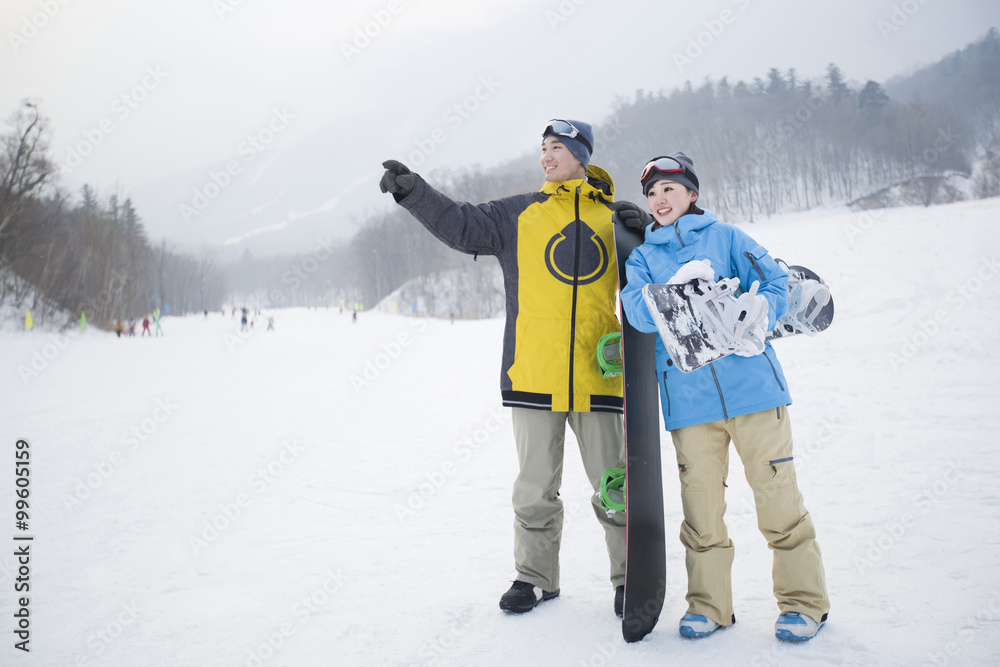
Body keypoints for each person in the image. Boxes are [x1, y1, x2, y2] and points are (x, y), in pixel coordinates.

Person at [380, 119, 629, 616]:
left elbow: (658, 280)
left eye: (556, 147)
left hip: (599, 376)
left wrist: (647, 228)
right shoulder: (519, 215)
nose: (546, 156)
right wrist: (414, 193)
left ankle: (631, 576)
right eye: (542, 148)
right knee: (535, 487)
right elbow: (460, 223)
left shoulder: (617, 220)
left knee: (615, 485)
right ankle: (535, 578)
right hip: (533, 375)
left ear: (582, 155)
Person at [619, 153, 830, 641]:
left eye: (669, 189)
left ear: (691, 194)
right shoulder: (643, 259)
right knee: (701, 511)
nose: (659, 199)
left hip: (754, 394)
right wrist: (661, 295)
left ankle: (804, 604)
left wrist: (762, 303)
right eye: (651, 194)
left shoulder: (726, 238)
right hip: (689, 405)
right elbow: (634, 312)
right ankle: (709, 606)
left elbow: (778, 282)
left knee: (778, 501)